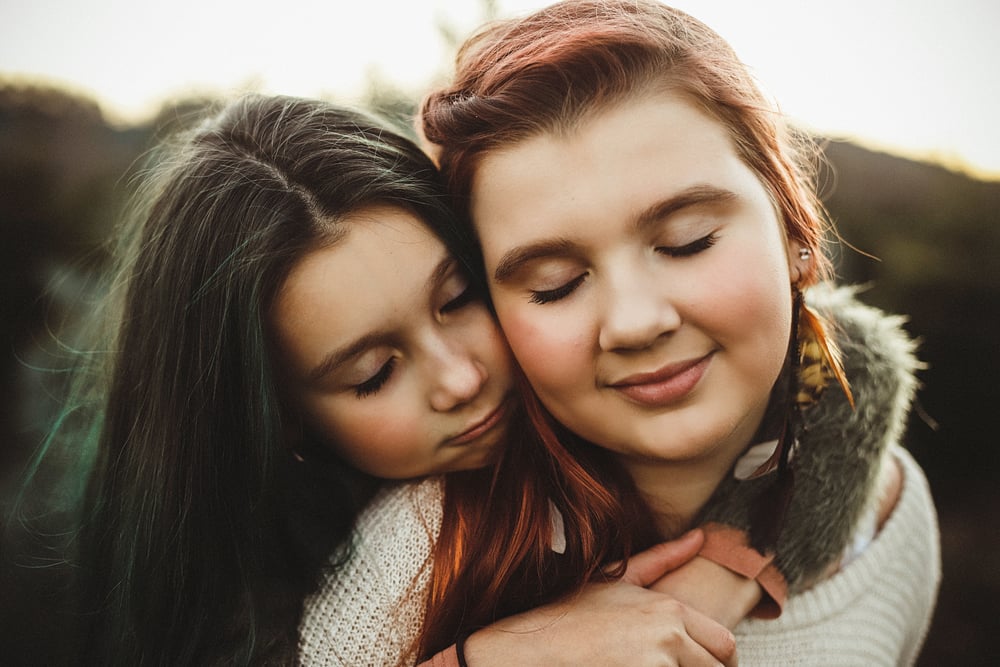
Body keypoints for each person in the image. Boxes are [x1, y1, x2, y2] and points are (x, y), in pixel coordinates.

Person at [20, 92, 738, 666]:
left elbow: (818, 363)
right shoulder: (238, 594)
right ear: (281, 418)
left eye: (459, 298)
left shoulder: (600, 392)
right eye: (373, 373)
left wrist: (740, 549)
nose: (460, 377)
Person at [413, 0, 941, 663]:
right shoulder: (420, 544)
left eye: (688, 243)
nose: (636, 322)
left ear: (795, 234)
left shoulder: (892, 517)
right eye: (556, 284)